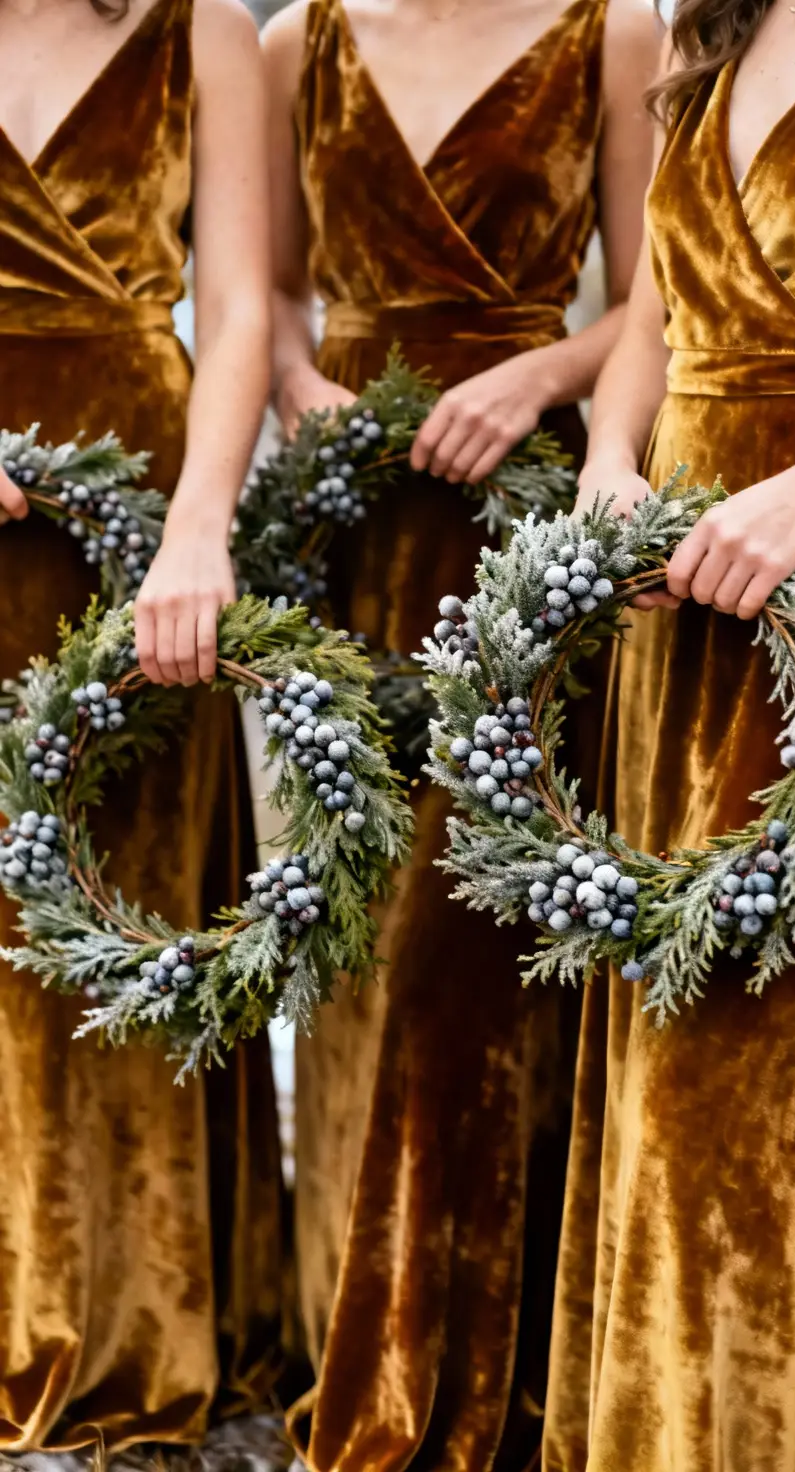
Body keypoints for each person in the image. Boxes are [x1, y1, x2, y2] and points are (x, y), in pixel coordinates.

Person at [262, 0, 659, 1465]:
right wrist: (308, 397)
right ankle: (344, 1322)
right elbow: (276, 295)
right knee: (355, 935)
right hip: (356, 532)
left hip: (520, 529)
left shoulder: (612, 30)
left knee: (478, 946)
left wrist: (540, 372)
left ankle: (466, 1358)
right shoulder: (295, 41)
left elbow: (654, 289)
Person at [545, 6, 795, 1469]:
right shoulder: (706, 16)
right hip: (682, 616)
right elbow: (658, 309)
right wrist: (608, 459)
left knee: (791, 1091)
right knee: (688, 1047)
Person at [0, 0, 286, 1455]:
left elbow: (236, 306)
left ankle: (149, 1326)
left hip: (139, 535)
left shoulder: (204, 31)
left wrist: (196, 529)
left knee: (129, 918)